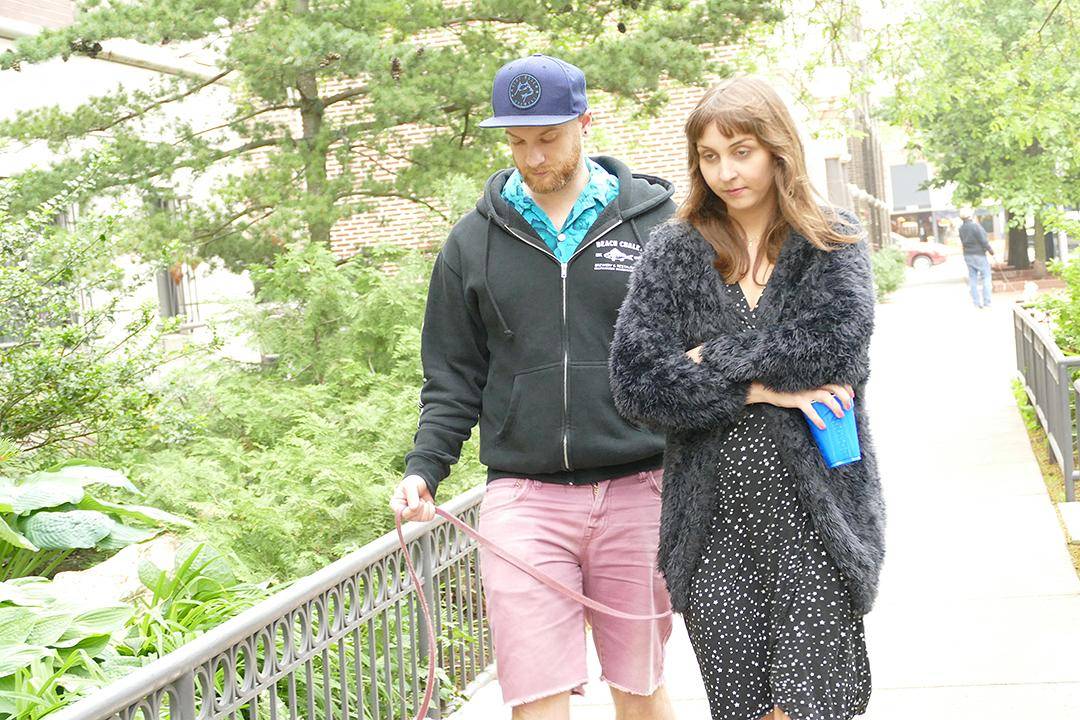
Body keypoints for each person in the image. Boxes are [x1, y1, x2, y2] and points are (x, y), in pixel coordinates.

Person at [389, 54, 677, 720]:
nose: (533, 157)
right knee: (533, 697)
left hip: (641, 491)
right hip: (525, 500)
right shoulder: (471, 244)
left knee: (640, 689)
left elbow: (706, 347)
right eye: (517, 142)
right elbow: (452, 378)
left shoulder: (656, 226)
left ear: (585, 122)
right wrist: (424, 470)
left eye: (548, 137)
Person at [609, 77, 885, 720]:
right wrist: (763, 390)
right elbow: (636, 381)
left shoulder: (830, 239)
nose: (726, 172)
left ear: (777, 149)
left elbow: (834, 346)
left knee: (808, 707)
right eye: (709, 156)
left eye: (741, 152)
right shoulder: (676, 250)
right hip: (714, 530)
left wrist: (710, 358)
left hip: (815, 519)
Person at [958, 208, 995, 308]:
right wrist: (991, 251)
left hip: (967, 255)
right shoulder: (976, 227)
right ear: (971, 216)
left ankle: (976, 302)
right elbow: (984, 240)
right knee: (986, 277)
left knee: (972, 278)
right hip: (979, 254)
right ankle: (987, 302)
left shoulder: (961, 229)